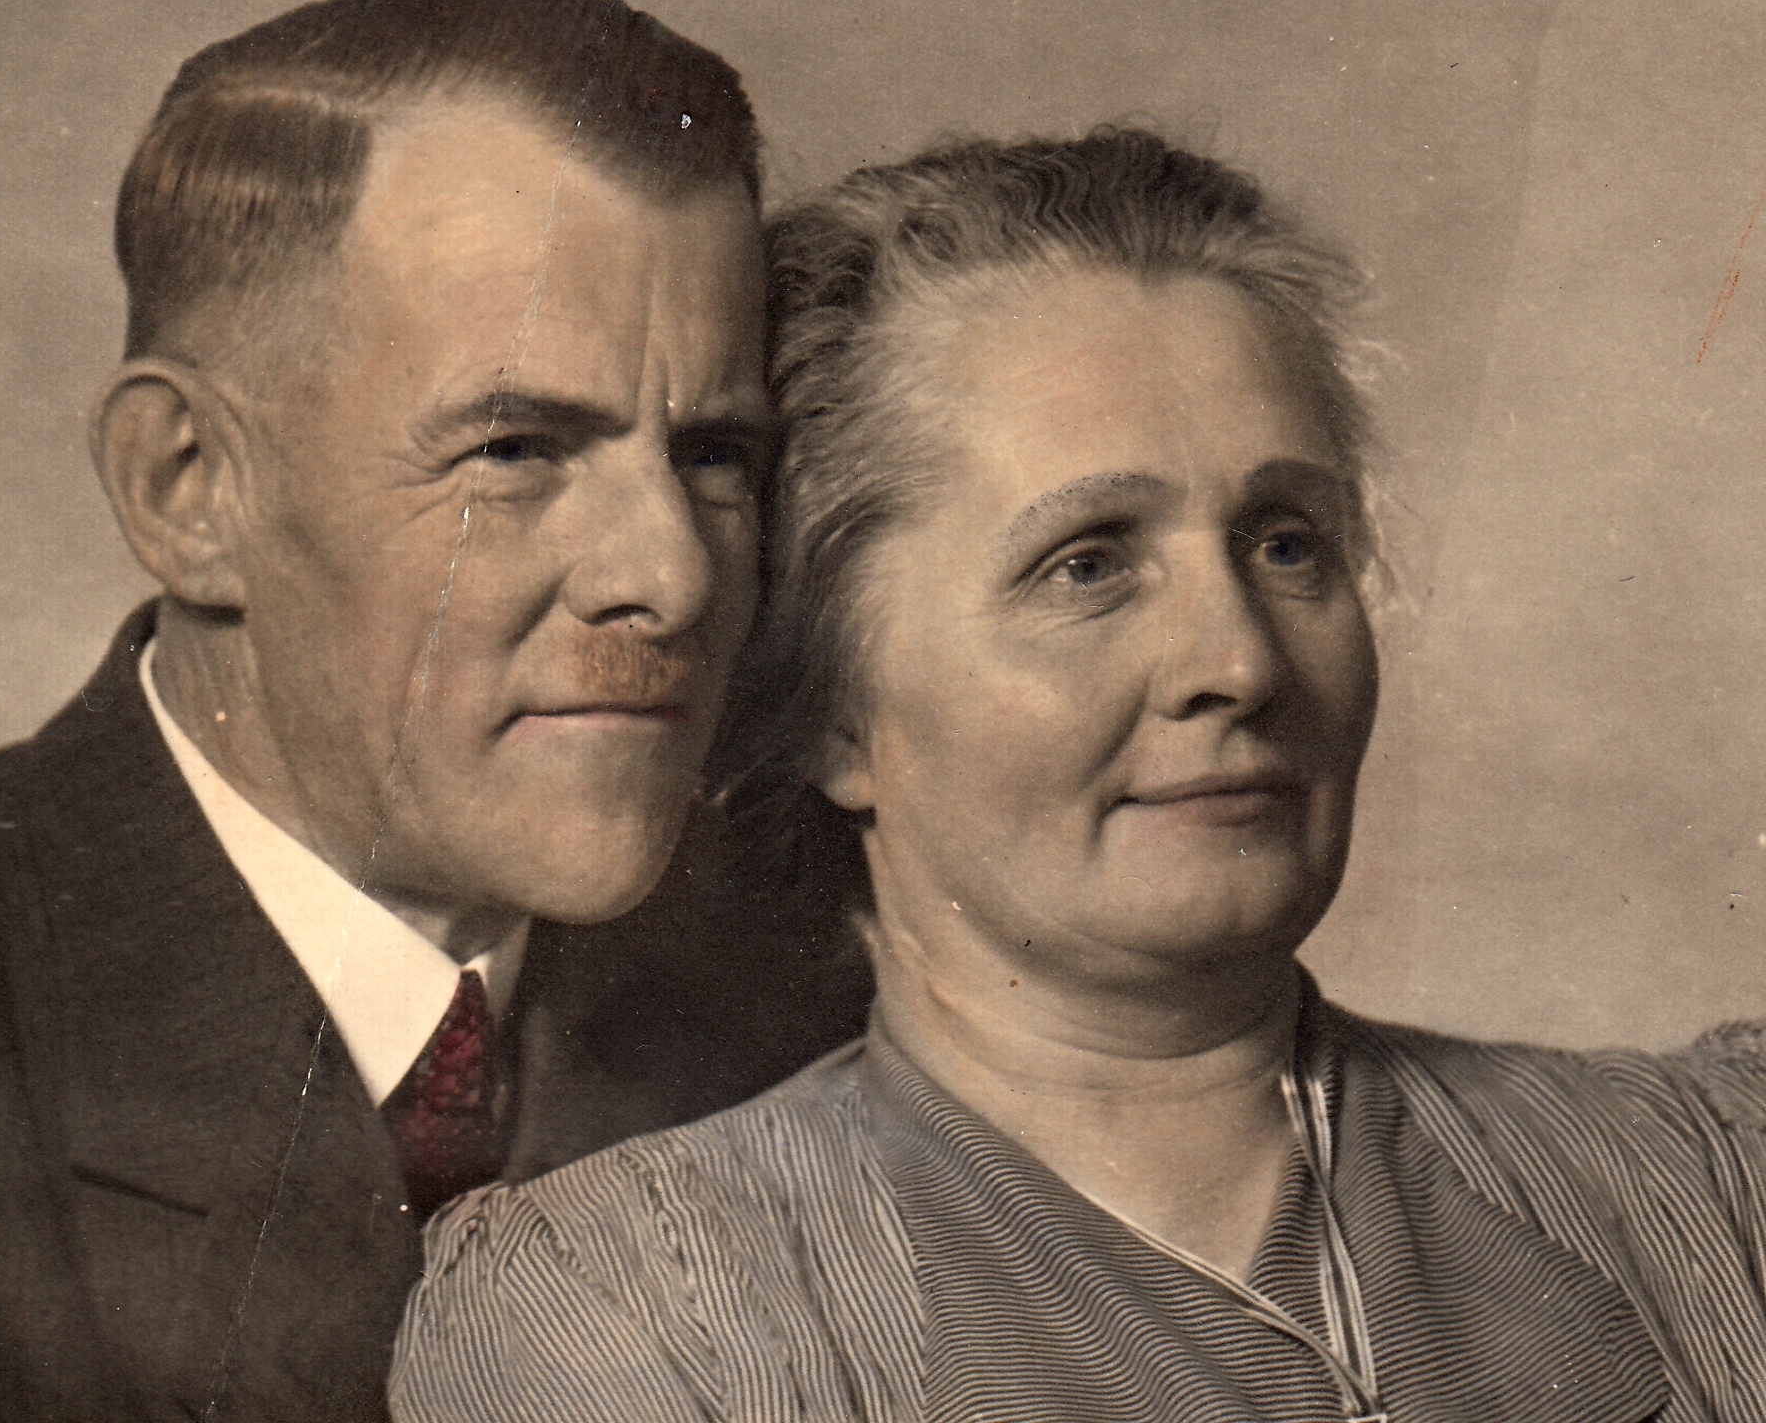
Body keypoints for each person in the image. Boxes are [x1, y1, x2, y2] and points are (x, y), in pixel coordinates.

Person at [390, 128, 1766, 1421]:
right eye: (1088, 564)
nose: (1238, 660)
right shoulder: (640, 1313)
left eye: (1287, 543)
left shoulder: (1708, 1170)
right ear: (832, 709)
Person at [0, 0, 868, 1422]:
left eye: (716, 454)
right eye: (516, 451)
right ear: (188, 491)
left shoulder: (826, 979)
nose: (668, 576)